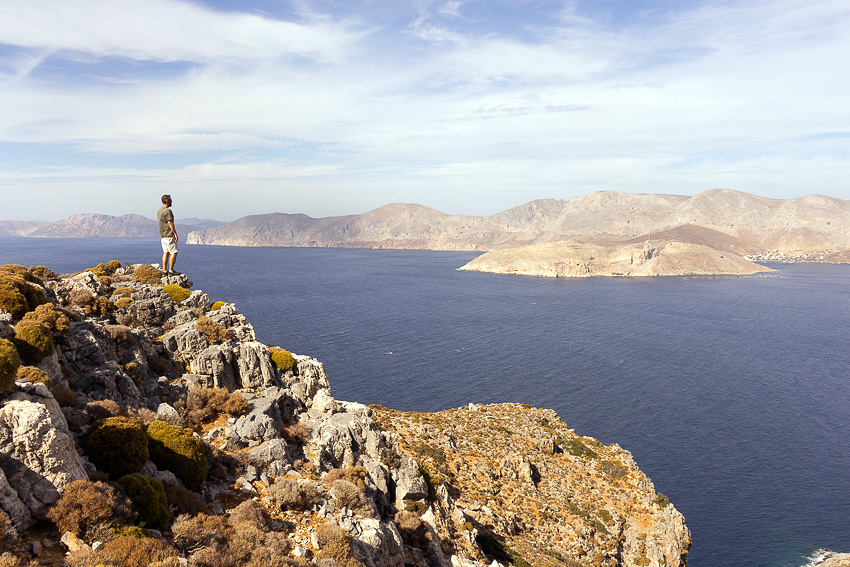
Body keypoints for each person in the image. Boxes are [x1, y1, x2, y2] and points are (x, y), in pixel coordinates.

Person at [158, 194, 179, 275]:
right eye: (170, 200)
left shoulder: (160, 210)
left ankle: (164, 270)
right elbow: (170, 223)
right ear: (167, 201)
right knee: (174, 252)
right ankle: (171, 270)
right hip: (169, 235)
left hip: (163, 235)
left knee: (165, 252)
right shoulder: (167, 211)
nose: (171, 201)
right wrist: (175, 234)